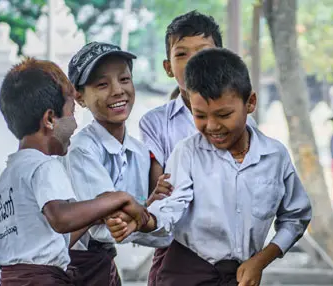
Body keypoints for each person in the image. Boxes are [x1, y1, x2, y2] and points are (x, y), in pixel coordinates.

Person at [107, 48, 312, 286]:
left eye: (224, 114)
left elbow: (296, 217)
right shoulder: (188, 153)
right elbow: (170, 207)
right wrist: (144, 220)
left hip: (240, 277)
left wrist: (260, 260)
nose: (212, 126)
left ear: (251, 103)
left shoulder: (274, 157)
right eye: (200, 116)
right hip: (184, 274)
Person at [0, 58, 152, 285]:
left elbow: (53, 239)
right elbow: (61, 218)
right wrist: (118, 198)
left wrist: (98, 213)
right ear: (49, 119)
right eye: (71, 113)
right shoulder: (44, 166)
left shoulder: (9, 174)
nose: (75, 125)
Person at [138, 12, 256, 283]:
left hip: (232, 247)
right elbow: (163, 188)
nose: (194, 62)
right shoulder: (156, 123)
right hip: (176, 245)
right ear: (168, 67)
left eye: (203, 52)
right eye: (182, 54)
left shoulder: (244, 119)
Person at [63, 42, 168, 286]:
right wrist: (145, 213)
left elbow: (142, 223)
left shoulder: (139, 152)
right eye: (102, 84)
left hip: (105, 264)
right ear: (79, 97)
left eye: (124, 79)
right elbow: (107, 228)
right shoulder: (81, 150)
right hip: (74, 267)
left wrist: (145, 209)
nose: (118, 90)